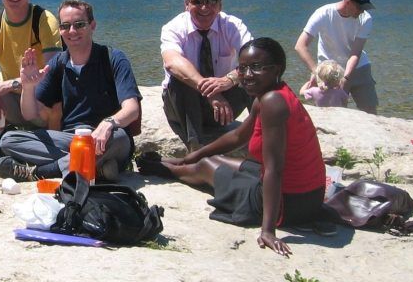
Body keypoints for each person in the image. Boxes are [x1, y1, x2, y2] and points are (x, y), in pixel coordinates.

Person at [138, 38, 327, 257]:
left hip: (290, 204)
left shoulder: (273, 102)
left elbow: (274, 170)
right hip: (307, 196)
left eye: (256, 68)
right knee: (216, 160)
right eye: (242, 67)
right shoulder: (271, 93)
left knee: (207, 165)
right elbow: (238, 136)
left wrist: (268, 230)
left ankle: (166, 169)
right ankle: (180, 162)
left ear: (277, 69)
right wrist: (193, 154)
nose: (246, 75)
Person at [0, 0, 142, 182]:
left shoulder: (113, 58)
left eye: (79, 24)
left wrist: (109, 123)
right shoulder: (58, 63)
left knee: (119, 138)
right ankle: (97, 168)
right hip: (71, 139)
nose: (72, 31)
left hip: (108, 137)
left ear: (92, 25)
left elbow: (132, 109)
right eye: (65, 26)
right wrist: (28, 87)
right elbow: (31, 114)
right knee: (10, 140)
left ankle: (41, 172)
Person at [160, 0, 252, 149]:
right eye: (197, 1)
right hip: (182, 107)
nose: (204, 7)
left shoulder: (233, 26)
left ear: (220, 5)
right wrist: (209, 91)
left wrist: (229, 80)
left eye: (211, 1)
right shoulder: (173, 27)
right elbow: (172, 62)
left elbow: (257, 60)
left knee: (253, 79)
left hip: (223, 108)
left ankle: (265, 135)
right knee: (180, 79)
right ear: (186, 4)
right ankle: (196, 146)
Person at [294, 0, 377, 114]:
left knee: (370, 111)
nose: (362, 11)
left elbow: (355, 53)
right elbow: (300, 46)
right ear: (348, 2)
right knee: (334, 113)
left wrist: (346, 78)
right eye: (360, 7)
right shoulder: (323, 13)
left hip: (359, 67)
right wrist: (317, 72)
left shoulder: (366, 19)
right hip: (330, 72)